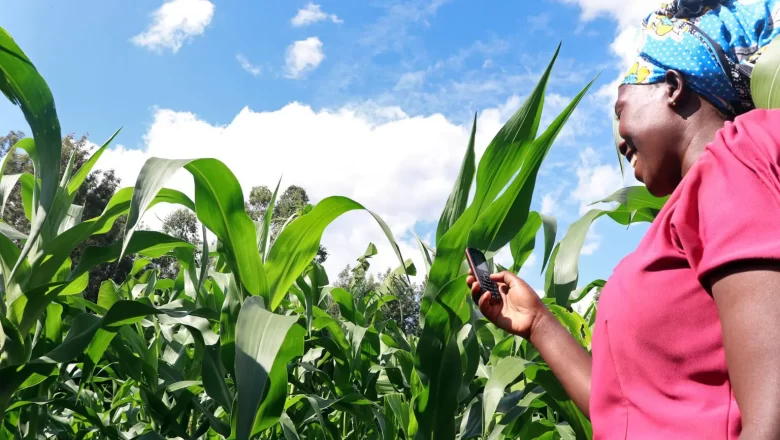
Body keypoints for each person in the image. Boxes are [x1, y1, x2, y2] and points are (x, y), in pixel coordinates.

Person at [467, 1, 780, 439]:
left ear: (672, 85)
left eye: (620, 110)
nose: (618, 141)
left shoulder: (733, 161)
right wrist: (537, 322)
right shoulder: (687, 208)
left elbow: (771, 420)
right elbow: (628, 412)